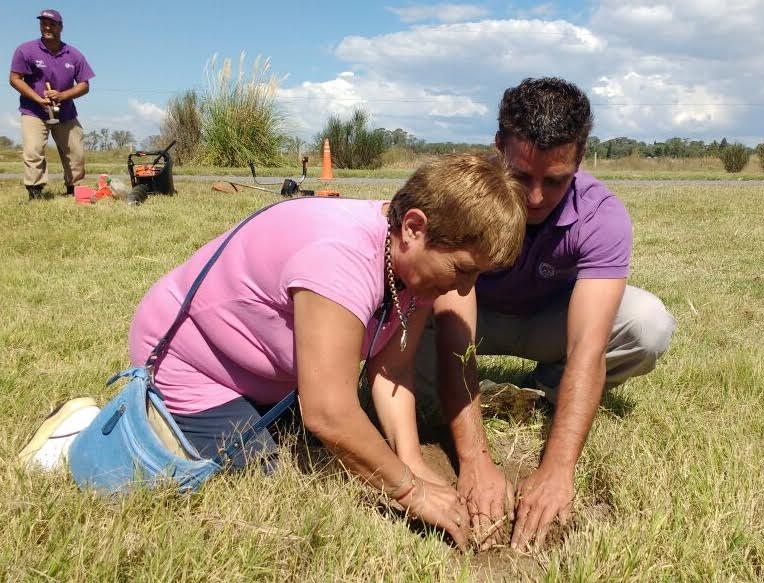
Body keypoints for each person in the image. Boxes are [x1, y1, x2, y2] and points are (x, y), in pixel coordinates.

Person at [19, 153, 526, 549]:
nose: (465, 290)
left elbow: (391, 369)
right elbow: (328, 413)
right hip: (192, 362)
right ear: (415, 228)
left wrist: (412, 462)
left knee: (322, 453)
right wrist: (411, 492)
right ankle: (78, 433)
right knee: (258, 469)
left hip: (264, 372)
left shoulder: (413, 270)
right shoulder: (342, 258)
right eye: (463, 269)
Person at [413, 78, 677, 550]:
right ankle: (464, 402)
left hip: (548, 324)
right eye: (521, 177)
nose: (535, 198)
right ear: (499, 148)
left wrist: (557, 469)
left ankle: (544, 390)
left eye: (554, 181)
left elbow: (588, 347)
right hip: (472, 317)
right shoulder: (464, 197)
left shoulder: (602, 216)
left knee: (647, 323)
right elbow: (455, 334)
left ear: (579, 160)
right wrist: (474, 462)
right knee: (402, 363)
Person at [9, 9, 94, 200]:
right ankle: (36, 192)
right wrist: (37, 98)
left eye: (52, 24)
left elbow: (84, 85)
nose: (47, 27)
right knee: (33, 150)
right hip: (34, 110)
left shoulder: (74, 54)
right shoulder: (26, 50)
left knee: (76, 152)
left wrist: (63, 95)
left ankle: (75, 189)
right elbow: (15, 78)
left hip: (66, 112)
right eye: (43, 23)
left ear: (61, 27)